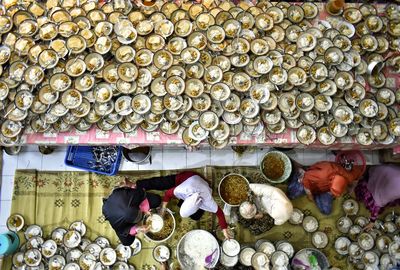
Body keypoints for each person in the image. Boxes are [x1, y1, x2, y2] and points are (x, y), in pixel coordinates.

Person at [155, 171, 231, 239]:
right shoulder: (183, 189)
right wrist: (163, 208)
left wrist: (224, 229)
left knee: (196, 216)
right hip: (188, 179)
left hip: (201, 183)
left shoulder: (208, 199)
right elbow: (167, 194)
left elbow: (220, 213)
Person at [287, 161, 364, 215]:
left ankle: (319, 195)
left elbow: (358, 173)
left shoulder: (348, 177)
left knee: (326, 211)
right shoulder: (322, 174)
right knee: (293, 192)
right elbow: (306, 182)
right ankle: (298, 176)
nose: (331, 194)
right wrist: (311, 198)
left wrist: (352, 186)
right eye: (331, 192)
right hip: (308, 179)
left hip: (322, 189)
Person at [355, 164, 400, 230]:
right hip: (381, 180)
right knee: (372, 200)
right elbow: (377, 204)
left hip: (383, 171)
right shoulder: (395, 191)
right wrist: (372, 221)